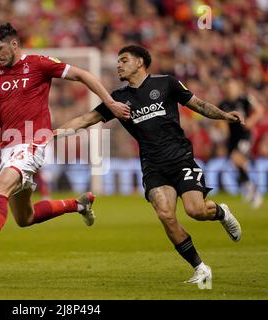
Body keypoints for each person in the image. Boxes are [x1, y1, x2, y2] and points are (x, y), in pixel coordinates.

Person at [0, 23, 129, 266]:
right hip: (8, 148)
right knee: (25, 218)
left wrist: (109, 102)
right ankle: (78, 204)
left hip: (32, 142)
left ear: (14, 44)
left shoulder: (39, 64)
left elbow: (83, 75)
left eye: (0, 48)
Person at [54, 45, 243, 284]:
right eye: (118, 61)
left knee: (195, 210)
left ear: (140, 62)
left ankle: (221, 212)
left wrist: (225, 116)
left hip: (180, 158)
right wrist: (52, 134)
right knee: (165, 214)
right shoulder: (118, 99)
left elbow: (200, 105)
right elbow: (85, 119)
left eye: (124, 60)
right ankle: (200, 268)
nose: (118, 65)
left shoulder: (167, 84)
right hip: (153, 166)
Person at [219, 79, 264, 209]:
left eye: (232, 87)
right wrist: (222, 127)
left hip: (245, 135)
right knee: (236, 163)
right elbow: (218, 119)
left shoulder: (245, 99)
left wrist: (251, 121)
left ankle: (255, 192)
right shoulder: (223, 104)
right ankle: (248, 188)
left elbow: (259, 110)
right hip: (232, 138)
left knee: (237, 158)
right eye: (227, 87)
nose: (230, 90)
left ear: (238, 88)